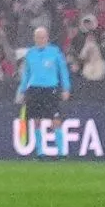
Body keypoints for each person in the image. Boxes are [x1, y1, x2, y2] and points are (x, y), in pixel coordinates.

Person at [16, 25, 71, 157]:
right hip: (34, 89)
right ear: (34, 39)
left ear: (47, 38)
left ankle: (61, 151)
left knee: (56, 119)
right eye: (38, 38)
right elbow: (26, 74)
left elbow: (63, 71)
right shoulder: (30, 53)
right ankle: (40, 151)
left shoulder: (55, 52)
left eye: (42, 37)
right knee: (36, 120)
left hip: (51, 89)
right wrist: (22, 91)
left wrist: (66, 88)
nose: (40, 40)